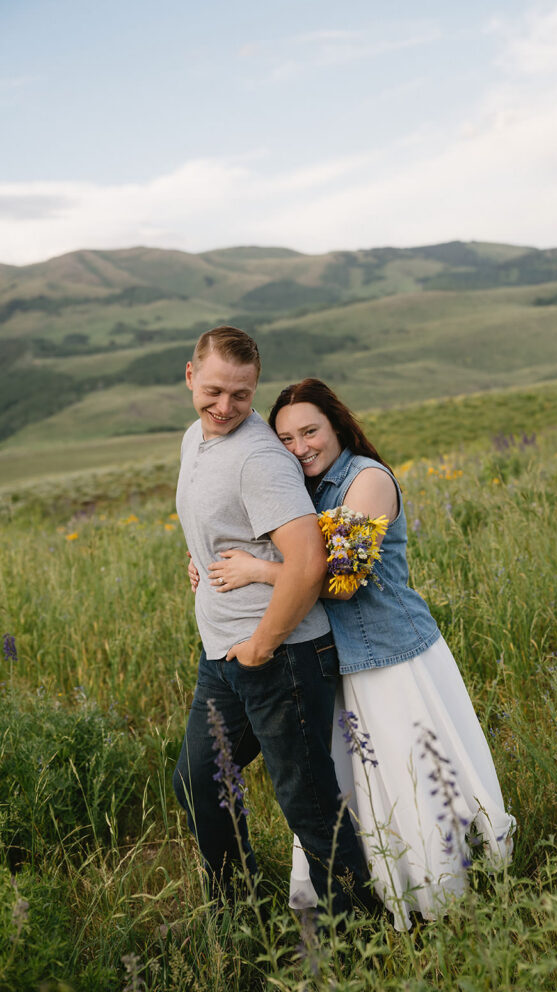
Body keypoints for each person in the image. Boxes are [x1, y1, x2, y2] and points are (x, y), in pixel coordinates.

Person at [189, 378, 515, 929]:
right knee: (356, 788)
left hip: (392, 656)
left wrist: (257, 570)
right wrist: (203, 561)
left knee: (413, 782)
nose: (300, 448)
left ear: (337, 426)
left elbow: (341, 581)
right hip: (338, 659)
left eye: (310, 432)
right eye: (286, 438)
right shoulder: (301, 486)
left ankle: (441, 895)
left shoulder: (368, 481)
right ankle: (375, 895)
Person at [172, 331, 376, 917]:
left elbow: (310, 563)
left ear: (255, 388)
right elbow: (215, 515)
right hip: (222, 654)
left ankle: (359, 935)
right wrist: (199, 553)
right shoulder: (195, 438)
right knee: (199, 783)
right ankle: (240, 915)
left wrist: (263, 645)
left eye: (241, 395)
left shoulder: (259, 459)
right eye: (214, 391)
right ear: (190, 376)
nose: (225, 407)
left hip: (280, 653)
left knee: (308, 804)